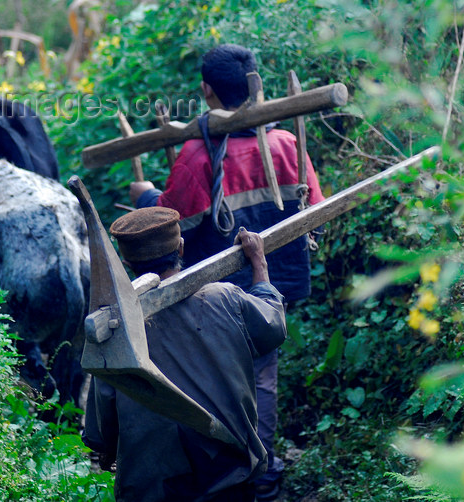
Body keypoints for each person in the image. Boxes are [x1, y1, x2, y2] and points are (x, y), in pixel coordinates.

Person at [129, 43, 325, 500]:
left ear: (206, 91)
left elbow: (168, 221)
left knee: (214, 380)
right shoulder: (286, 144)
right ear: (256, 85)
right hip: (276, 284)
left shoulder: (199, 157)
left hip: (215, 297)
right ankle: (263, 470)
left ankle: (227, 468)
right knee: (262, 376)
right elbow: (311, 205)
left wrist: (143, 196)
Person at [82, 207, 287, 502]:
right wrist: (259, 263)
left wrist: (109, 452)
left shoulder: (115, 330)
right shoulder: (225, 297)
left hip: (153, 486)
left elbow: (100, 435)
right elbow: (273, 327)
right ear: (180, 246)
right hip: (229, 473)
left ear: (127, 263)